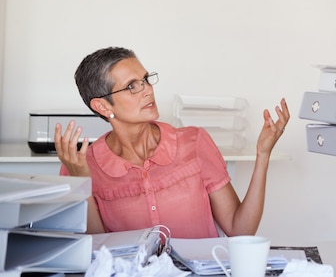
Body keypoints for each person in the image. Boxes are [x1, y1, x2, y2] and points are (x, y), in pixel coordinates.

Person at [54, 46, 290, 238]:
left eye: (145, 80)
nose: (147, 90)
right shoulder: (80, 166)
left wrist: (263, 155)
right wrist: (81, 182)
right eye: (131, 86)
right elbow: (96, 255)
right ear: (103, 106)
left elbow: (240, 230)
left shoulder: (194, 141)